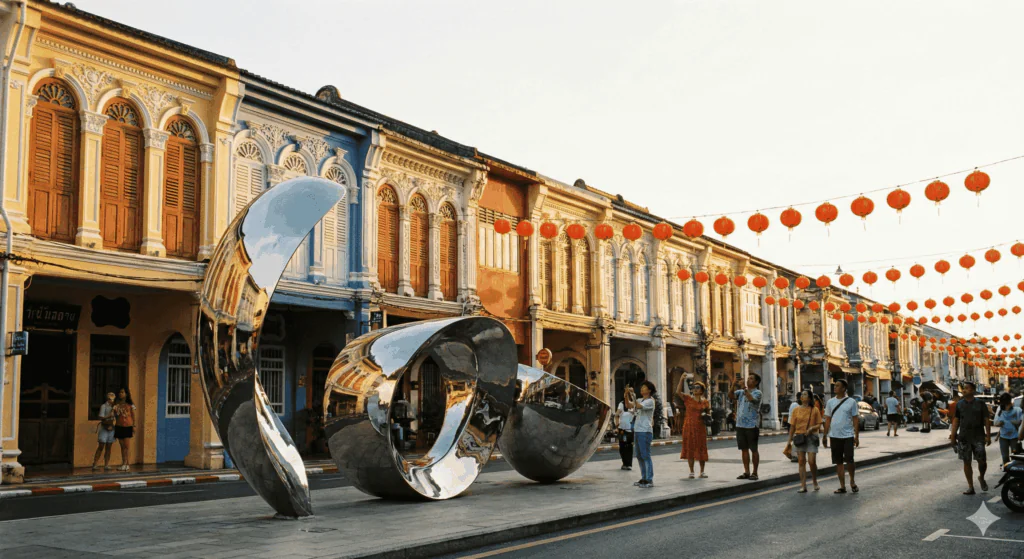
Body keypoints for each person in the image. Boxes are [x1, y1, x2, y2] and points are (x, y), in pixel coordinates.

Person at [949, 381, 993, 495]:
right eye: (963, 388)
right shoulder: (959, 404)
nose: (964, 390)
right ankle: (970, 486)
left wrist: (988, 435)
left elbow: (986, 420)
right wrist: (953, 436)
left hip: (978, 436)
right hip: (964, 437)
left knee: (982, 461)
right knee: (966, 461)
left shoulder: (980, 404)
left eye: (967, 388)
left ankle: (981, 477)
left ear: (972, 390)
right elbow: (956, 420)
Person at [823, 379, 860, 494]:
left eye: (837, 386)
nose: (835, 387)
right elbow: (827, 419)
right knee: (838, 462)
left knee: (849, 460)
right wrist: (824, 435)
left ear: (844, 388)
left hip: (848, 435)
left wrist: (856, 436)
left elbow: (855, 419)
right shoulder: (830, 402)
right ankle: (842, 486)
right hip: (834, 436)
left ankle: (852, 481)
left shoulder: (851, 402)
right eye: (835, 385)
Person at [785, 390, 822, 493]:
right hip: (799, 438)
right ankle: (803, 485)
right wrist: (789, 440)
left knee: (811, 461)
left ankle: (814, 481)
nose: (802, 395)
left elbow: (819, 424)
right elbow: (792, 426)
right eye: (802, 394)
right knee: (801, 461)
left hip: (811, 437)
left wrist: (811, 429)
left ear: (809, 398)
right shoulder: (796, 410)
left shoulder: (814, 410)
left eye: (805, 394)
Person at [729, 374, 763, 481]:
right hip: (740, 424)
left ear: (756, 382)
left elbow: (751, 399)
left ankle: (755, 472)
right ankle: (747, 471)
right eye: (748, 378)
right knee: (744, 449)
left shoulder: (757, 392)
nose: (749, 380)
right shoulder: (741, 392)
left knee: (753, 449)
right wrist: (733, 384)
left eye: (751, 379)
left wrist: (744, 387)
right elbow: (731, 396)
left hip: (752, 425)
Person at [676, 375, 710, 479]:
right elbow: (678, 392)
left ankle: (702, 471)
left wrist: (707, 416)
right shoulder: (688, 399)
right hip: (689, 426)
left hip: (700, 426)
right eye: (694, 387)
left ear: (701, 390)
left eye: (697, 388)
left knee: (701, 447)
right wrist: (681, 379)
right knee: (690, 447)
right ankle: (691, 471)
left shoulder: (705, 402)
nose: (695, 389)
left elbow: (708, 413)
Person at [625, 381, 657, 488]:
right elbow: (629, 405)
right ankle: (644, 478)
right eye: (642, 387)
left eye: (644, 387)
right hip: (638, 430)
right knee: (639, 456)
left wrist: (633, 395)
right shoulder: (640, 399)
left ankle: (649, 479)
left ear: (649, 390)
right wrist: (626, 394)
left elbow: (638, 406)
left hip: (645, 431)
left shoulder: (650, 401)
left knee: (645, 455)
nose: (642, 389)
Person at [993, 392, 1023, 468]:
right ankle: (1007, 471)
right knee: (1005, 457)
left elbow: (1022, 423)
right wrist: (999, 423)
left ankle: (1015, 471)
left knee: (1015, 456)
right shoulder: (1000, 409)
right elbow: (995, 422)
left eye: (1006, 403)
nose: (1005, 405)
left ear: (1009, 401)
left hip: (1015, 437)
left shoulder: (1017, 409)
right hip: (1003, 437)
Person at [91, 392, 117, 471]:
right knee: (101, 446)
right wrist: (108, 416)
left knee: (109, 447)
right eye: (110, 399)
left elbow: (117, 417)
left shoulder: (115, 406)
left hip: (112, 428)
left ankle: (106, 464)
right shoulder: (104, 406)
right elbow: (101, 417)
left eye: (113, 399)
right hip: (104, 427)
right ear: (107, 399)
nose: (111, 400)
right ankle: (95, 463)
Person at [113, 387, 136, 472]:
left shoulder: (130, 404)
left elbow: (133, 415)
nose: (121, 394)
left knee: (126, 446)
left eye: (122, 392)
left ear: (126, 394)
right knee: (122, 446)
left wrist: (134, 425)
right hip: (119, 425)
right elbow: (116, 415)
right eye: (120, 392)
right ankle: (123, 463)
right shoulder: (117, 404)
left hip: (127, 426)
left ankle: (127, 464)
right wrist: (115, 411)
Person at [615, 389, 635, 471]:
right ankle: (624, 463)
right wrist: (617, 425)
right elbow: (617, 415)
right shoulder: (621, 404)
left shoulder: (634, 404)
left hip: (630, 430)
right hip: (622, 429)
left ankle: (629, 464)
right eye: (627, 393)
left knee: (629, 447)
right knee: (622, 447)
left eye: (631, 393)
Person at [786, 398, 801, 462]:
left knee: (794, 439)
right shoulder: (798, 406)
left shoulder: (793, 404)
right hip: (795, 424)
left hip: (790, 422)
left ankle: (794, 455)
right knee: (796, 439)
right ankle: (795, 455)